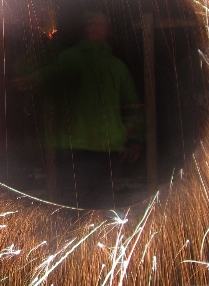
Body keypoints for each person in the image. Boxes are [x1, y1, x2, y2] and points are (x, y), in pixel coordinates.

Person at [18, 11, 141, 209]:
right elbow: (50, 75)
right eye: (92, 24)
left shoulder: (116, 67)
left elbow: (132, 103)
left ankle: (98, 234)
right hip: (80, 145)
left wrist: (132, 135)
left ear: (108, 31)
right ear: (86, 30)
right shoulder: (73, 58)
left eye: (100, 25)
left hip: (109, 145)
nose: (95, 28)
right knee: (84, 200)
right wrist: (30, 81)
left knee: (102, 200)